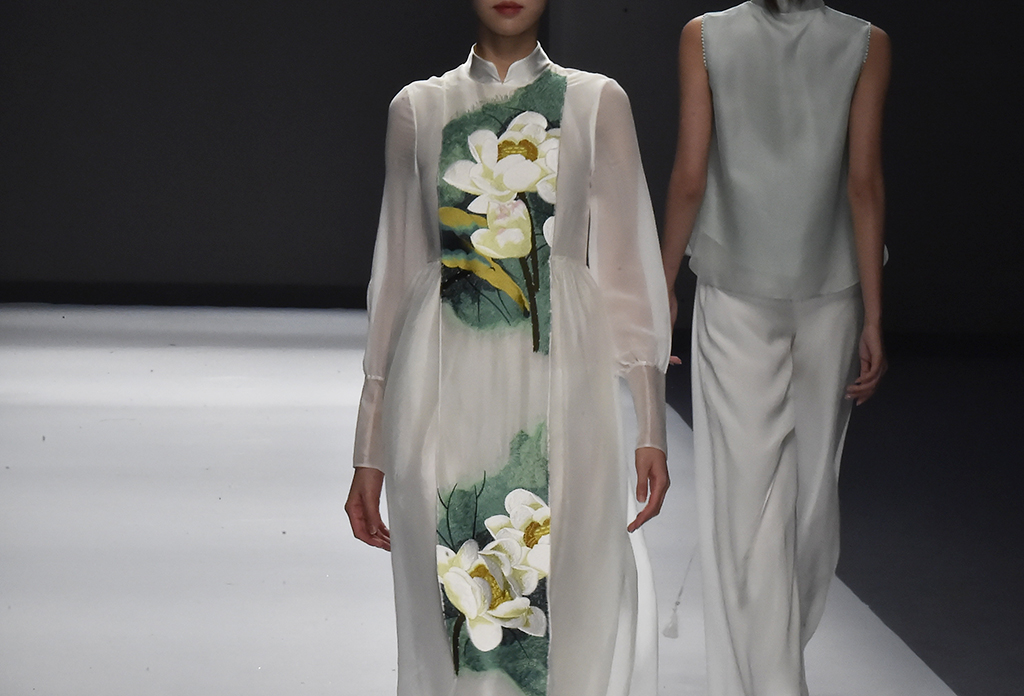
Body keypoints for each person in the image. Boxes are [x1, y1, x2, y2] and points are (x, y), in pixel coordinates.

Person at [345, 1, 672, 695]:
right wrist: (368, 446)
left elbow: (625, 273)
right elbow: (396, 278)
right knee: (456, 595)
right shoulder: (418, 109)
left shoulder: (596, 102)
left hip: (564, 381)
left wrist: (651, 421)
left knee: (569, 593)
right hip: (439, 381)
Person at [660, 1, 890, 694]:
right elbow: (863, 183)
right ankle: (778, 672)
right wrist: (875, 316)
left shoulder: (705, 37)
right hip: (832, 291)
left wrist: (661, 285)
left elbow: (691, 174)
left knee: (741, 495)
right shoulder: (865, 43)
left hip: (734, 288)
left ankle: (761, 674)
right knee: (812, 495)